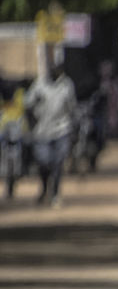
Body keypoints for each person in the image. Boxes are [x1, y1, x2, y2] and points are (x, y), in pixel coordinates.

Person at [25, 58, 77, 207]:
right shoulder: (39, 85)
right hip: (42, 131)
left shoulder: (67, 85)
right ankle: (44, 187)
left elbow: (72, 108)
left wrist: (73, 130)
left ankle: (55, 193)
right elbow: (28, 105)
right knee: (43, 161)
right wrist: (31, 125)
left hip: (62, 129)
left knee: (58, 162)